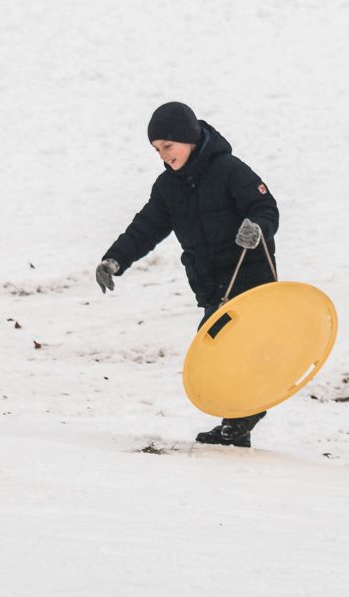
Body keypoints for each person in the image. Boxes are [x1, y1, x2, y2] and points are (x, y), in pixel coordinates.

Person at [95, 102, 279, 448]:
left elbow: (265, 207)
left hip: (249, 277)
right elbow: (145, 228)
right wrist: (114, 260)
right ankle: (237, 428)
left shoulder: (228, 170)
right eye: (156, 150)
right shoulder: (168, 188)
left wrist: (257, 228)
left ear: (188, 138)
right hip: (212, 286)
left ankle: (243, 417)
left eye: (168, 146)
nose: (163, 155)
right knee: (213, 352)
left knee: (232, 348)